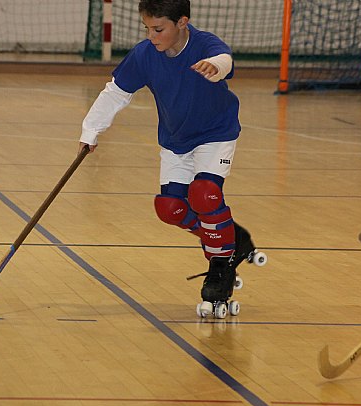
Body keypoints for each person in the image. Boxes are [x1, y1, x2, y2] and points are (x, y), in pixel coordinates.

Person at [79, 0, 263, 319]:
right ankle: (232, 237)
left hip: (215, 133)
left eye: (158, 29)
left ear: (182, 22)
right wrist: (91, 130)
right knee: (171, 209)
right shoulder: (145, 54)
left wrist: (216, 68)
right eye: (147, 28)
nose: (152, 36)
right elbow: (116, 92)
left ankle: (221, 267)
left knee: (205, 195)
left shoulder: (204, 44)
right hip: (176, 140)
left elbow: (224, 59)